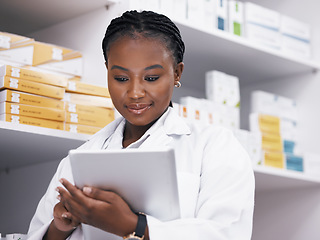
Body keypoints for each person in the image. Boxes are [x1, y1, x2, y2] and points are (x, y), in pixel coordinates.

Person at [28, 10, 255, 240]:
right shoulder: (81, 156)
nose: (135, 93)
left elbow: (226, 233)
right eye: (121, 79)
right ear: (108, 72)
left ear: (176, 73)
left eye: (151, 78)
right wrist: (59, 227)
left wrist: (133, 226)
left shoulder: (215, 147)